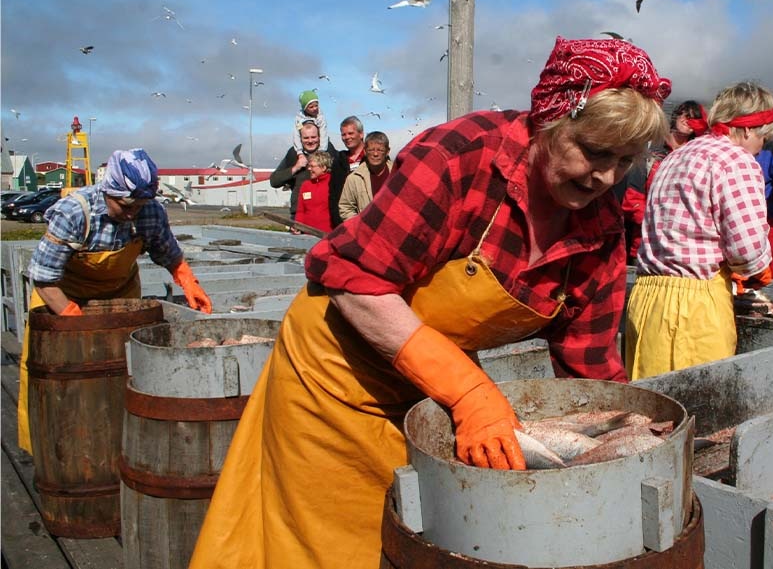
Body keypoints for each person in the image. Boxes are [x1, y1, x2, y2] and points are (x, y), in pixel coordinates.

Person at [188, 36, 671, 569]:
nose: (606, 177)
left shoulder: (599, 226)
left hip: (431, 389)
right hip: (335, 373)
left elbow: (589, 359)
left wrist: (627, 439)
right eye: (595, 152)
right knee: (327, 546)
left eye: (625, 161)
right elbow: (353, 279)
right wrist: (469, 391)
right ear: (550, 123)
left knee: (420, 540)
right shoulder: (461, 157)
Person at [18, 149, 212, 454]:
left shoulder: (150, 212)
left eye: (139, 206)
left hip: (119, 295)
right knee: (65, 384)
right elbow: (43, 277)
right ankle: (56, 454)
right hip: (62, 296)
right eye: (125, 206)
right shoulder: (74, 212)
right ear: (109, 190)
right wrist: (72, 319)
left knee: (122, 376)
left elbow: (167, 251)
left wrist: (187, 280)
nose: (132, 213)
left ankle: (123, 447)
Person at [626, 81, 773, 380]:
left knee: (646, 399)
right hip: (692, 310)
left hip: (645, 298)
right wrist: (757, 268)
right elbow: (746, 251)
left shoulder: (676, 156)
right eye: (764, 137)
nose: (762, 146)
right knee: (694, 402)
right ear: (748, 129)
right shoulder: (736, 161)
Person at [621, 100, 705, 262]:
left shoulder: (696, 156)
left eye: (694, 118)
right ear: (676, 116)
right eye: (684, 115)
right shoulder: (651, 150)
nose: (686, 120)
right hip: (645, 243)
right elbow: (632, 198)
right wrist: (657, 224)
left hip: (680, 246)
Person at [270, 121, 350, 227]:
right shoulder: (293, 153)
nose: (310, 141)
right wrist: (296, 167)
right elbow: (274, 181)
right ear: (300, 139)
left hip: (326, 214)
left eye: (313, 137)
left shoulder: (329, 151)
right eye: (306, 138)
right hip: (298, 214)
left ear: (320, 137)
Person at [339, 131, 393, 221]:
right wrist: (359, 225)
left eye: (380, 150)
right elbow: (345, 207)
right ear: (365, 151)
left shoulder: (398, 174)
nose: (375, 154)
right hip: (367, 228)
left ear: (387, 151)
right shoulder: (354, 178)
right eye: (371, 150)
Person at [294, 150, 335, 233]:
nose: (309, 169)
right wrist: (297, 226)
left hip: (328, 234)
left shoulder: (334, 184)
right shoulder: (306, 185)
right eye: (309, 166)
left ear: (323, 167)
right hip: (307, 234)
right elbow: (300, 211)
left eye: (312, 166)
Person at [293, 90, 330, 154]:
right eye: (311, 107)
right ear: (305, 108)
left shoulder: (320, 118)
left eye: (316, 105)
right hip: (303, 149)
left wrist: (321, 150)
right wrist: (299, 151)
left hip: (320, 148)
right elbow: (296, 134)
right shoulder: (299, 119)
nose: (315, 108)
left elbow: (323, 134)